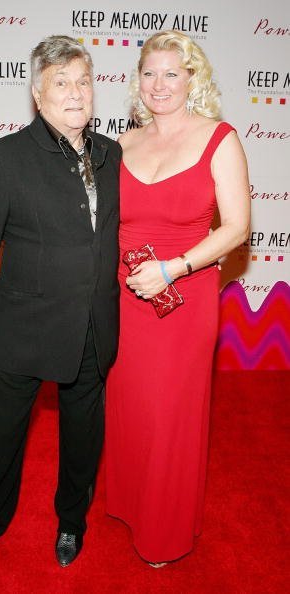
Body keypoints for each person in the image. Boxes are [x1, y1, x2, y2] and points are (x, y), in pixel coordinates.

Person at [0, 35, 121, 575]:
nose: (75, 94)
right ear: (37, 93)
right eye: (61, 82)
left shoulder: (111, 153)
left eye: (84, 81)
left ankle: (72, 520)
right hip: (21, 329)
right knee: (3, 436)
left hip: (92, 326)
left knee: (82, 439)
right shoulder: (1, 159)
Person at [105, 30, 250, 566]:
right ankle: (127, 502)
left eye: (171, 72)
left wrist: (174, 267)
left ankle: (164, 532)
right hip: (124, 299)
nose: (159, 84)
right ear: (137, 80)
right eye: (149, 72)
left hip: (185, 297)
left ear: (193, 78)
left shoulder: (220, 138)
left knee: (171, 415)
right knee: (129, 406)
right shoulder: (122, 143)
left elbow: (236, 228)